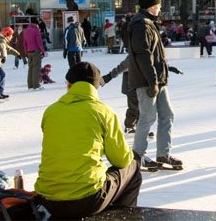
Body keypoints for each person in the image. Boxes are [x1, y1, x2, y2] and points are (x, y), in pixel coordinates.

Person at [35, 62, 141, 217]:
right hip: (87, 200)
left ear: (69, 85)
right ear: (95, 87)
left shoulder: (51, 111)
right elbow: (121, 160)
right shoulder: (103, 112)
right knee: (133, 165)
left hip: (48, 199)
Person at [128, 0, 182, 171]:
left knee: (167, 114)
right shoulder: (140, 25)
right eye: (158, 6)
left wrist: (166, 70)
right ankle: (138, 155)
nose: (160, 9)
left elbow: (155, 55)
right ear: (151, 6)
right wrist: (152, 82)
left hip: (158, 80)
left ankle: (163, 153)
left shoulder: (149, 24)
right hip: (147, 81)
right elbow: (143, 56)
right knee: (148, 117)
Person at [0, 27, 20, 101]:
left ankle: (0, 92)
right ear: (7, 34)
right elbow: (3, 49)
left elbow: (8, 49)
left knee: (2, 75)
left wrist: (17, 54)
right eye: (11, 35)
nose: (11, 37)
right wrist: (4, 56)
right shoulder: (1, 41)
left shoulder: (2, 41)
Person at [23, 17, 46, 91]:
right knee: (36, 68)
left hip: (29, 51)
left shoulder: (26, 30)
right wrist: (43, 51)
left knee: (31, 68)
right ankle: (36, 85)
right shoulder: (36, 30)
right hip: (36, 51)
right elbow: (39, 42)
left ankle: (30, 85)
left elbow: (25, 42)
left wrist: (26, 51)